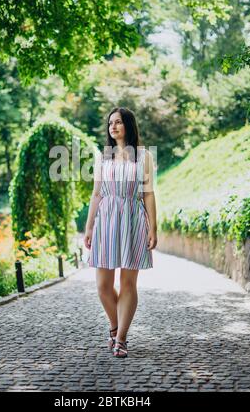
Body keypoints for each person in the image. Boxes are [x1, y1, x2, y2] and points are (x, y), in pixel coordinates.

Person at [84, 107, 158, 358]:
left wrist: (153, 228)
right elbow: (96, 194)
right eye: (109, 123)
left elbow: (148, 194)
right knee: (103, 285)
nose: (112, 127)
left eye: (118, 122)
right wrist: (89, 226)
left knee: (128, 283)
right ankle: (115, 327)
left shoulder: (143, 156)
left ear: (128, 124)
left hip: (133, 219)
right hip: (105, 219)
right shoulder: (103, 157)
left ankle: (122, 339)